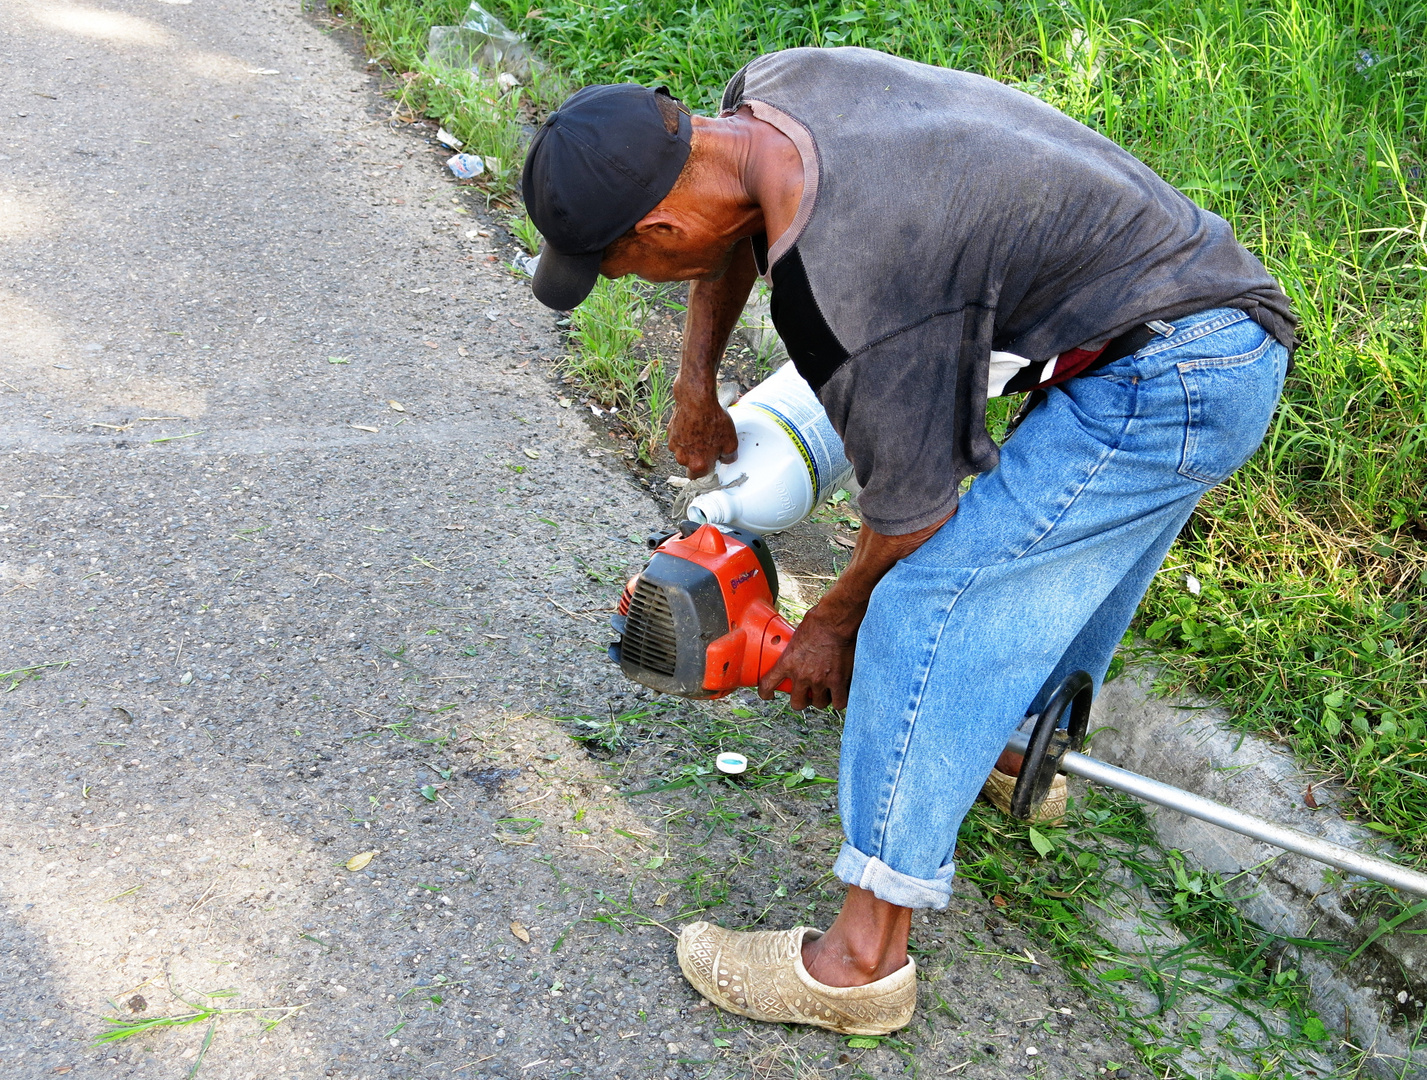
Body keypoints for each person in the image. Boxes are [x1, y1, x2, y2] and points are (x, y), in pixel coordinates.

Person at [521, 46, 1293, 1035]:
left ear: (660, 225)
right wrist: (693, 385)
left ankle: (858, 965)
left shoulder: (849, 287)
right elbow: (731, 235)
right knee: (1043, 565)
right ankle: (1006, 754)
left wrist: (827, 629)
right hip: (1195, 318)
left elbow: (911, 519)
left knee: (923, 609)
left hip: (1176, 375)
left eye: (620, 263)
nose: (630, 279)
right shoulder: (768, 93)